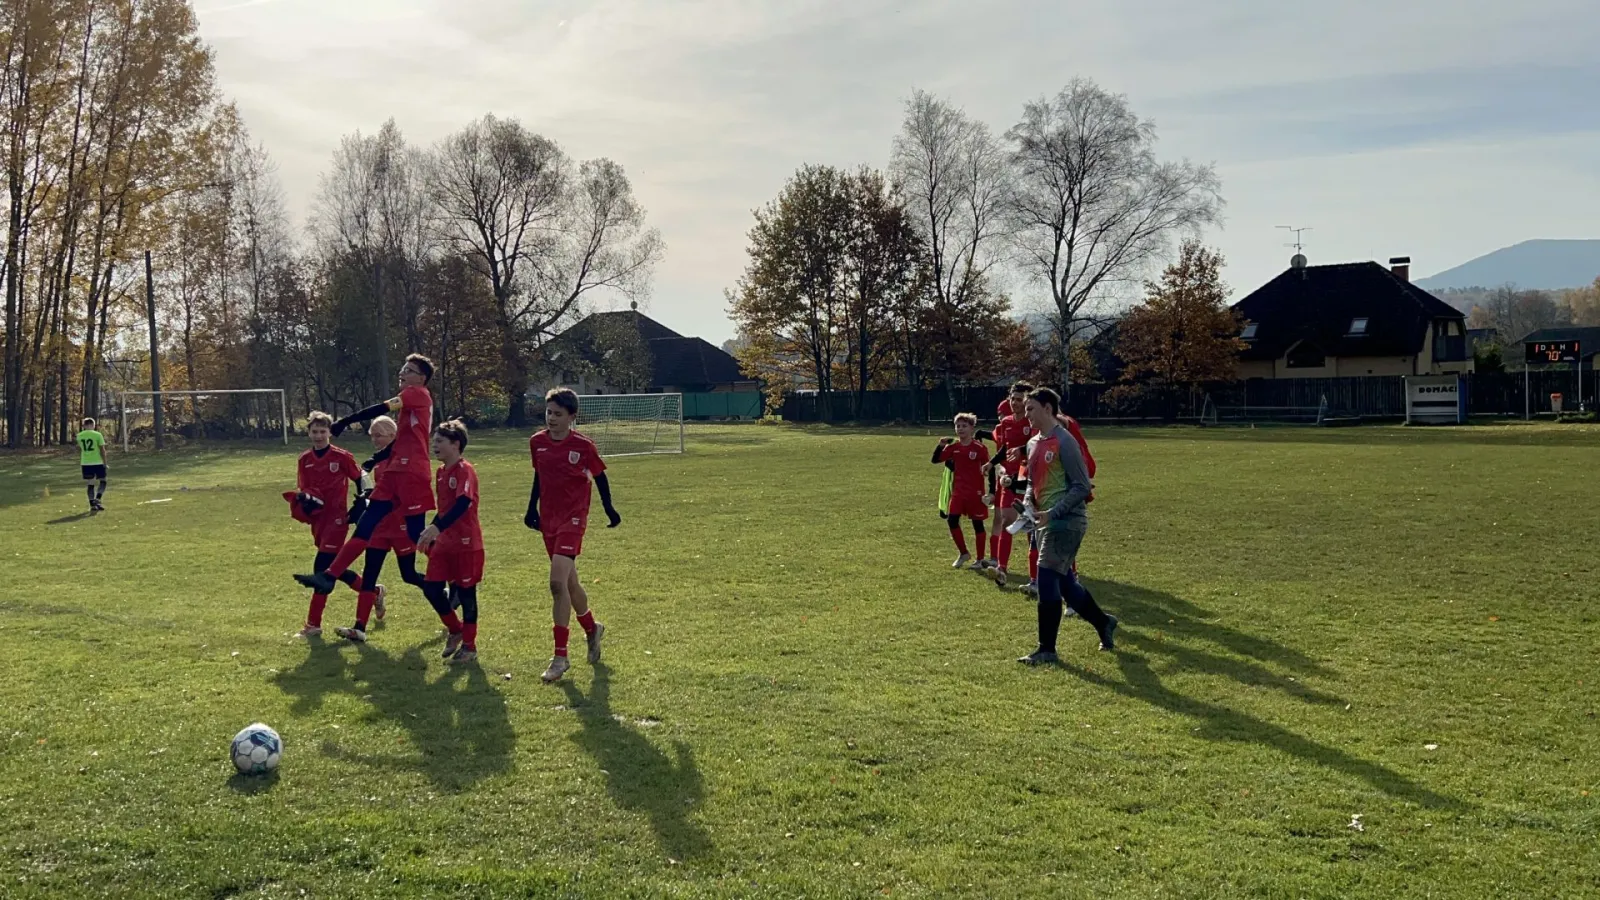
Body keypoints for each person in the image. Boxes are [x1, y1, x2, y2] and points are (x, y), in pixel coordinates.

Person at [294, 354, 436, 597]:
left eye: (409, 370)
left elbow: (381, 408)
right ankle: (328, 576)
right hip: (395, 471)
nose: (402, 372)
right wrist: (376, 458)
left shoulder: (417, 394)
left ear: (421, 378)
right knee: (366, 523)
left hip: (411, 471)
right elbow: (402, 441)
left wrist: (346, 421)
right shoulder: (411, 401)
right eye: (402, 368)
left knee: (415, 534)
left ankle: (454, 576)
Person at [527, 388, 621, 683]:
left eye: (558, 414)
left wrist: (609, 508)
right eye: (549, 412)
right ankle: (592, 628)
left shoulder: (583, 446)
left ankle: (560, 657)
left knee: (556, 584)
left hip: (574, 518)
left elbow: (601, 477)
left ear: (572, 417)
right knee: (569, 583)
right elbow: (539, 476)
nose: (551, 418)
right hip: (549, 520)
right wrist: (531, 508)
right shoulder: (537, 442)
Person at [1017, 386, 1117, 665]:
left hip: (1067, 522)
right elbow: (1032, 481)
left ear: (1047, 408)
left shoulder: (1065, 441)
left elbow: (1082, 486)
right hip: (1045, 522)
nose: (1026, 414)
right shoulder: (1033, 443)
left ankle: (1046, 649)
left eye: (1031, 408)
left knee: (1046, 578)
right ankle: (1104, 622)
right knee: (1065, 584)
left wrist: (1054, 512)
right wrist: (1028, 503)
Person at [330, 415, 429, 642]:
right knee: (369, 575)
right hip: (379, 527)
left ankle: (440, 591)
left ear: (393, 435)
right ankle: (359, 628)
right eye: (372, 436)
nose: (374, 440)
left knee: (408, 574)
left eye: (379, 435)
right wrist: (364, 503)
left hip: (400, 525)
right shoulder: (377, 461)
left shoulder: (404, 459)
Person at [286, 411, 369, 638]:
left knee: (321, 570)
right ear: (309, 433)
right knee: (334, 567)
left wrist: (362, 502)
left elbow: (361, 478)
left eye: (323, 431)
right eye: (315, 431)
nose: (319, 436)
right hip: (318, 520)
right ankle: (371, 590)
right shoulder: (304, 459)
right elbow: (304, 489)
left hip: (337, 519)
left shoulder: (341, 457)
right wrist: (304, 503)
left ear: (330, 432)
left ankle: (313, 625)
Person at [417, 419, 484, 664]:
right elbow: (444, 509)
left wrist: (436, 527)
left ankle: (469, 646)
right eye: (433, 441)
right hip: (445, 543)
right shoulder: (441, 472)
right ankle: (456, 629)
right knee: (431, 588)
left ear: (455, 444)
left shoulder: (465, 470)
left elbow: (463, 503)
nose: (434, 446)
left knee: (467, 594)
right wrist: (431, 530)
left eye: (439, 441)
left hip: (467, 544)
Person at [985, 384, 1038, 588]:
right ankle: (1002, 568)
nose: (1015, 403)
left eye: (1019, 399)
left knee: (1030, 524)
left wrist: (1021, 450)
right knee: (1007, 520)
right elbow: (1005, 448)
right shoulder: (1006, 422)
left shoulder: (1032, 421)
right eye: (1012, 398)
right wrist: (992, 463)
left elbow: (1037, 444)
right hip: (1009, 478)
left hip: (1029, 478)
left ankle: (1035, 574)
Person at [932, 413, 990, 569]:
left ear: (972, 428)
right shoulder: (953, 447)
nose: (960, 429)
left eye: (964, 426)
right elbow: (936, 460)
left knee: (977, 524)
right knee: (952, 520)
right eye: (958, 426)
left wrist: (991, 491)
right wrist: (940, 446)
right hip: (958, 491)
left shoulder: (979, 448)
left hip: (975, 493)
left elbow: (989, 468)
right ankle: (964, 553)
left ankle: (980, 559)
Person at [76, 418, 108, 513]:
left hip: (86, 462)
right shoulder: (97, 435)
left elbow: (81, 448)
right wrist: (105, 462)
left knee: (90, 483)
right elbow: (102, 450)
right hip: (97, 462)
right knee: (103, 481)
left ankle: (92, 504)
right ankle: (97, 499)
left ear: (84, 425)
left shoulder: (79, 436)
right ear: (93, 425)